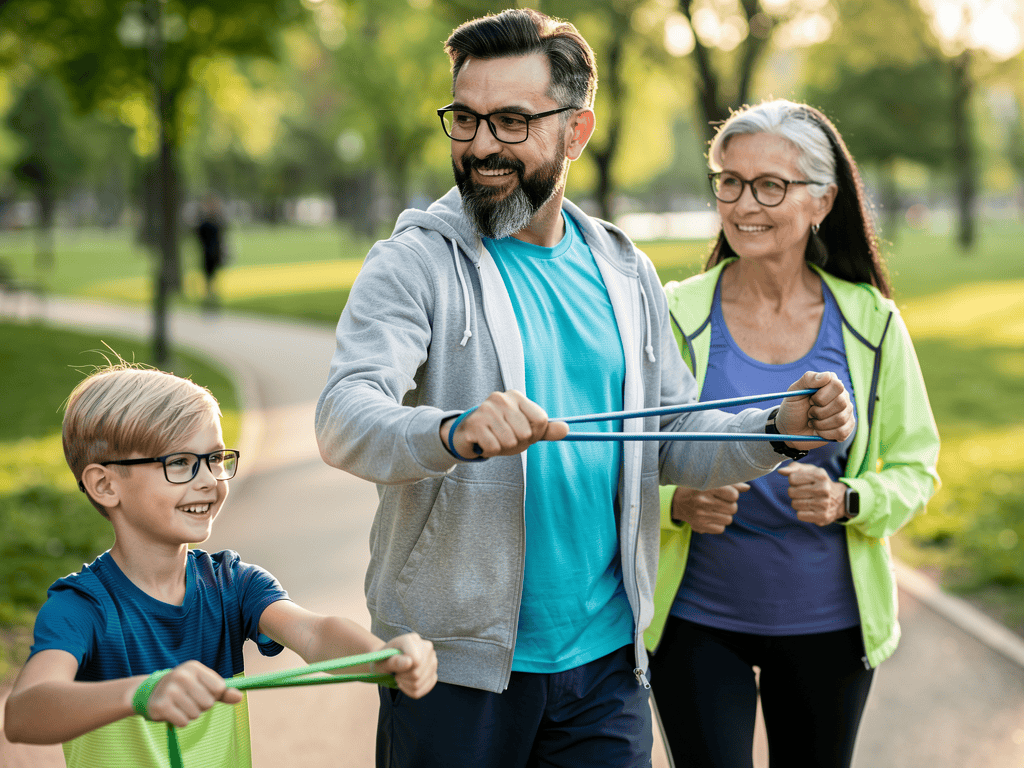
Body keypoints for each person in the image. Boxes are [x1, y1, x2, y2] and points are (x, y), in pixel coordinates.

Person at [314, 11, 854, 768]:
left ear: (576, 129)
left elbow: (671, 434)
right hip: (454, 670)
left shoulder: (623, 270)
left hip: (605, 667)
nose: (479, 146)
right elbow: (345, 417)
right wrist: (450, 431)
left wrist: (778, 425)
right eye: (464, 119)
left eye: (510, 121)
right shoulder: (415, 265)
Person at [646, 100, 941, 768]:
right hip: (695, 620)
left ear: (821, 200)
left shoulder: (872, 321)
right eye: (730, 180)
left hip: (828, 624)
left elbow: (917, 464)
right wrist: (676, 503)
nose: (745, 202)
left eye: (770, 184)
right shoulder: (673, 312)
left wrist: (851, 500)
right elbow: (630, 453)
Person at [3, 362, 437, 768]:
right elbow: (25, 712)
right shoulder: (82, 606)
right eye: (179, 463)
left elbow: (314, 632)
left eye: (214, 458)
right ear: (104, 484)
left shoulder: (233, 584)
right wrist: (142, 693)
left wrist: (382, 657)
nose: (209, 480)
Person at [196, 194, 226, 308]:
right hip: (207, 251)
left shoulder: (216, 220)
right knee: (208, 273)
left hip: (215, 251)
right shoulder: (205, 221)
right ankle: (209, 293)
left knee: (213, 273)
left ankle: (212, 293)